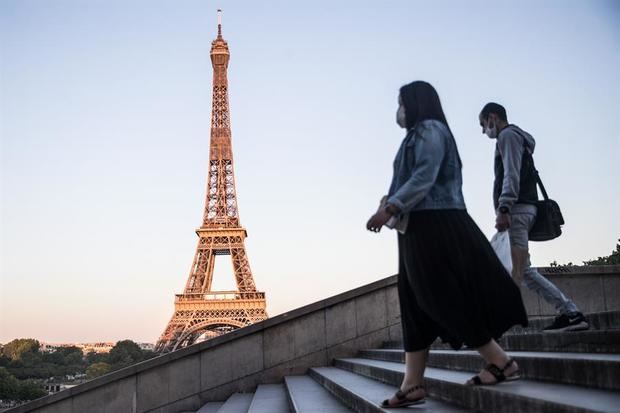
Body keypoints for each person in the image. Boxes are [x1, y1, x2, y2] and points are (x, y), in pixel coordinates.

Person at [367, 81, 528, 409]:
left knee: (439, 298)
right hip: (416, 227)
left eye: (401, 103)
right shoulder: (416, 135)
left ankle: (501, 361)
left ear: (415, 102)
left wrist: (389, 208)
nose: (399, 110)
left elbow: (424, 176)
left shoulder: (430, 130)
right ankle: (411, 385)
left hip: (435, 224)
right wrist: (392, 206)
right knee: (413, 303)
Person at [479, 102, 589, 333]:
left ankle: (494, 329)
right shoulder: (519, 138)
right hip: (524, 209)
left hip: (516, 211)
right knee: (520, 271)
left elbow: (511, 173)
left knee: (516, 272)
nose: (484, 131)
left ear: (492, 117)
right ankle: (570, 313)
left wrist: (504, 207)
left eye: (483, 125)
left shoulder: (507, 136)